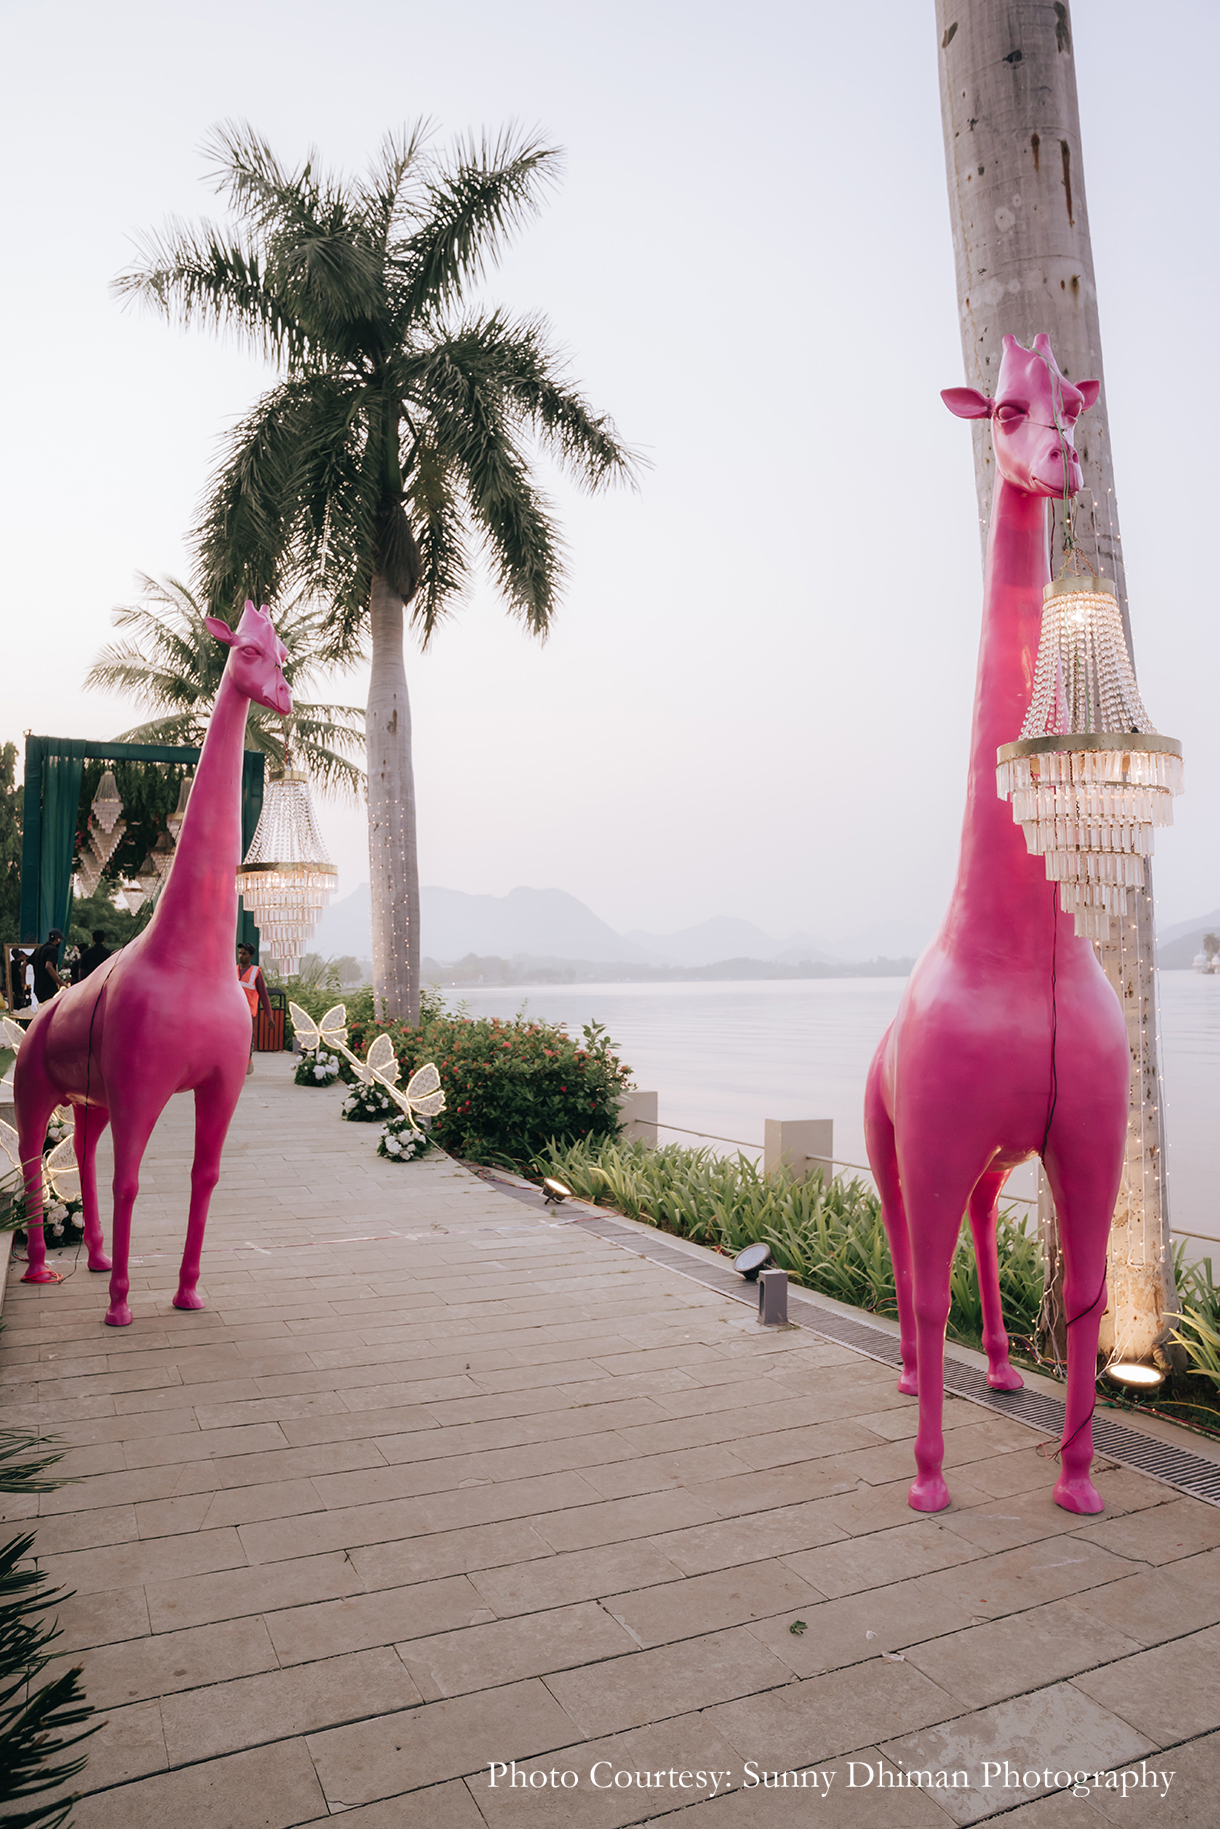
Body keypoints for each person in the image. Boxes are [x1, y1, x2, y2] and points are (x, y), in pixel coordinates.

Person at [237, 942, 273, 1074]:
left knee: (247, 1040)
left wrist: (269, 1016)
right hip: (232, 1013)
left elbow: (263, 995)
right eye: (240, 953)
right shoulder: (232, 970)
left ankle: (247, 1062)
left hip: (247, 1013)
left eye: (244, 954)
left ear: (251, 956)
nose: (241, 956)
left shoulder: (255, 972)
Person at [30, 929, 65, 1004]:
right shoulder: (53, 950)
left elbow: (24, 965)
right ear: (57, 939)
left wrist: (23, 983)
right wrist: (60, 983)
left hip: (38, 988)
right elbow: (48, 966)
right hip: (49, 987)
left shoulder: (38, 950)